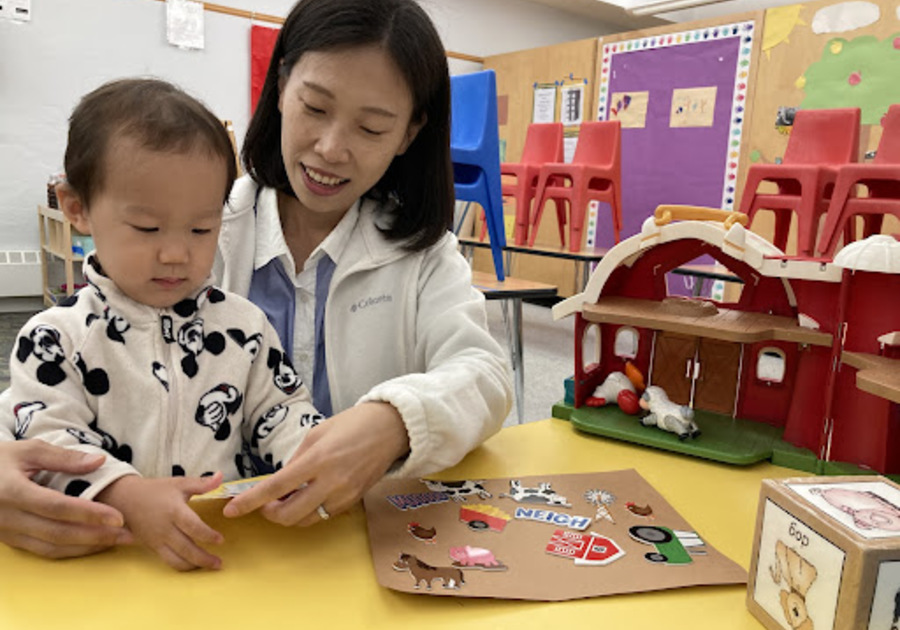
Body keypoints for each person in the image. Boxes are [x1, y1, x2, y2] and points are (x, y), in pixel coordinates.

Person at [0, 0, 512, 557]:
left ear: (409, 133)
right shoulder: (199, 216)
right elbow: (39, 401)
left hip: (320, 545)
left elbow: (483, 374)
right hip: (163, 549)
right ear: (282, 85)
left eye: (371, 127)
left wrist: (394, 422)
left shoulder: (414, 255)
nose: (331, 148)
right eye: (315, 107)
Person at [4, 78, 324, 570]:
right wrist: (126, 495)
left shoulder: (245, 327)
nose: (177, 253)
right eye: (148, 228)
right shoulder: (54, 339)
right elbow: (47, 441)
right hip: (109, 554)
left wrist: (312, 459)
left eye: (202, 229)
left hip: (222, 543)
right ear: (77, 208)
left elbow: (280, 411)